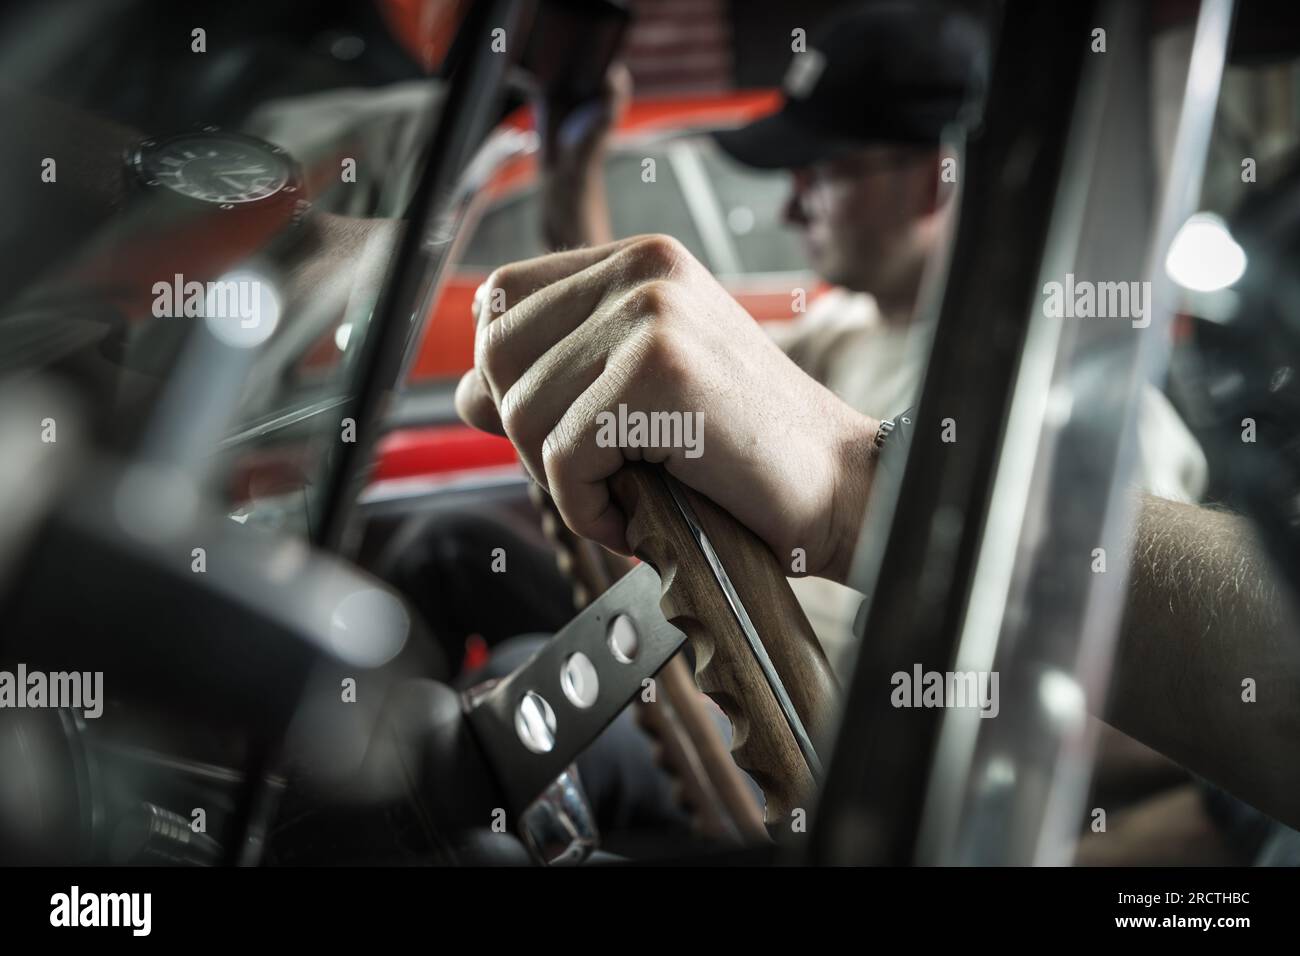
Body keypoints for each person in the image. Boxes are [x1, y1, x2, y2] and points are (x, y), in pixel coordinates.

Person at [455, 6, 1300, 843]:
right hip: (702, 664)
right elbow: (632, 390)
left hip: (813, 762)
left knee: (516, 747)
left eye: (819, 173)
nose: (792, 211)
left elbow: (1089, 729)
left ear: (931, 179)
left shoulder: (1085, 421)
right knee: (449, 553)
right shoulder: (839, 332)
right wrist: (571, 158)